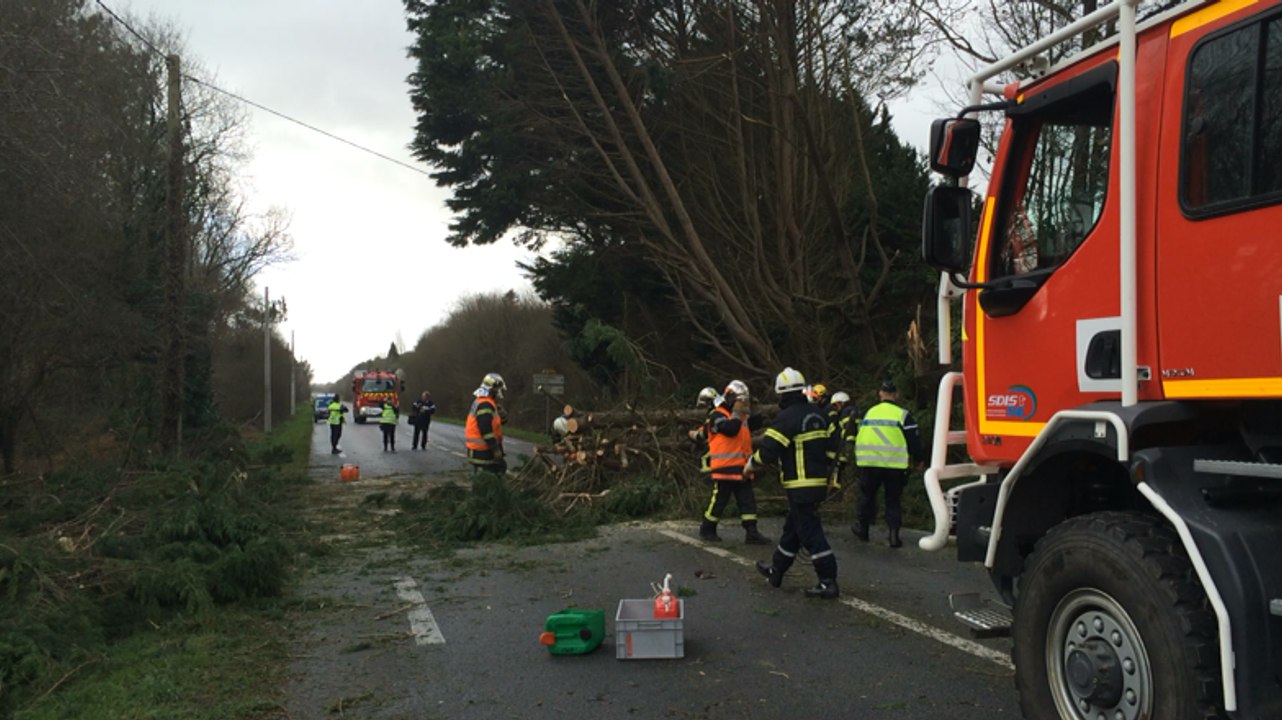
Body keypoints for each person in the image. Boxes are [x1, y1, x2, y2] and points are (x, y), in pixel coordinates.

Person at [749, 367, 840, 599]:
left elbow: (768, 451)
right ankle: (777, 570)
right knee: (793, 529)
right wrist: (830, 476)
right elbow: (834, 447)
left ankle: (828, 581)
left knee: (810, 533)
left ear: (781, 394)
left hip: (799, 485)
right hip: (819, 483)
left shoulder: (786, 418)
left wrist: (751, 464)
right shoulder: (820, 414)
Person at [853, 380, 924, 548]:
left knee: (867, 497)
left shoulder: (869, 413)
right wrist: (918, 459)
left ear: (880, 394)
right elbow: (914, 440)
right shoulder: (902, 415)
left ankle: (863, 529)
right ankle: (893, 536)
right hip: (894, 465)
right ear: (896, 395)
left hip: (869, 462)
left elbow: (860, 435)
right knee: (893, 500)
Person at [698, 380, 770, 545]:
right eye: (740, 401)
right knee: (720, 500)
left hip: (742, 466)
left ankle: (752, 532)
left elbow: (756, 423)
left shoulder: (741, 417)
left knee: (747, 500)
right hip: (725, 467)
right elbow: (731, 429)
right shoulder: (717, 415)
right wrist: (737, 412)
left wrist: (754, 408)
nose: (741, 404)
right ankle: (707, 529)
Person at [465, 372, 506, 474]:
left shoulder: (485, 402)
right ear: (492, 389)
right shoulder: (485, 404)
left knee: (499, 469)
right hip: (482, 451)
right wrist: (495, 449)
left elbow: (497, 424)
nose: (498, 392)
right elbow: (485, 429)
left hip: (480, 450)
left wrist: (503, 415)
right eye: (497, 389)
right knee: (495, 472)